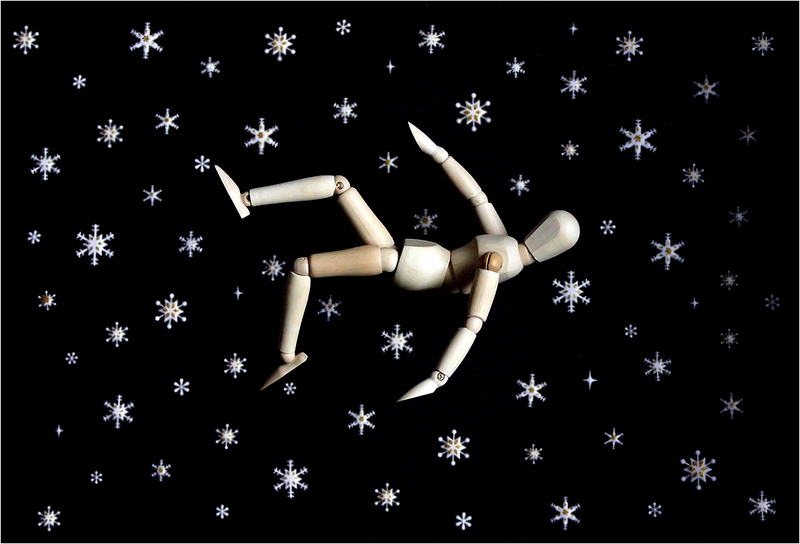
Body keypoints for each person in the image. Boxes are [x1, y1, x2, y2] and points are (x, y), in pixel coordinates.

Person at [215, 123, 580, 401]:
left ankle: (286, 355)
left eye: (551, 231)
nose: (543, 228)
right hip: (409, 252)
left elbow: (474, 320)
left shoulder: (500, 261)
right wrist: (438, 153)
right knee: (341, 185)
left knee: (303, 266)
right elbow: (477, 197)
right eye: (549, 223)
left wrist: (438, 377)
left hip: (412, 266)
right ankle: (246, 199)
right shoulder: (506, 241)